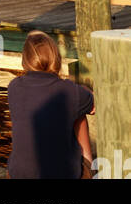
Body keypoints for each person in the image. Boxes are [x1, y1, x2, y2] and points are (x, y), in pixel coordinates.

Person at [7, 31, 94, 179]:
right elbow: (93, 106)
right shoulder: (72, 92)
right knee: (79, 113)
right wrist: (84, 90)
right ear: (57, 58)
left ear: (25, 62)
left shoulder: (13, 86)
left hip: (18, 175)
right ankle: (89, 169)